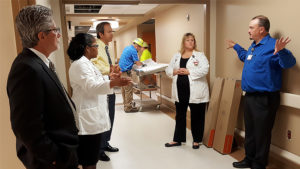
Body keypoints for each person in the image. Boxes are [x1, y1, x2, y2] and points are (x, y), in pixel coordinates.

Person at [7, 5, 79, 169]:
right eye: (55, 30)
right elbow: (26, 127)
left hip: (63, 152)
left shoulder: (39, 63)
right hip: (50, 162)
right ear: (41, 36)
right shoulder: (26, 69)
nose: (59, 34)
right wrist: (54, 158)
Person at [226, 15, 296, 169]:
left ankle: (259, 163)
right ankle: (248, 159)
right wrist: (236, 46)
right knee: (250, 131)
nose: (249, 30)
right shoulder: (254, 46)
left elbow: (289, 63)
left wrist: (282, 51)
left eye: (251, 27)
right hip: (250, 96)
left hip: (265, 98)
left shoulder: (273, 45)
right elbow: (246, 57)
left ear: (262, 29)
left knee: (261, 133)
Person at [68, 33, 131, 169]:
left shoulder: (87, 63)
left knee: (91, 159)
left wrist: (109, 78)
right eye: (96, 46)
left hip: (93, 118)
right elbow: (91, 86)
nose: (98, 48)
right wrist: (114, 83)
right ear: (87, 48)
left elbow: (95, 81)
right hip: (87, 121)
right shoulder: (80, 65)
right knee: (89, 161)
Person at [165, 33, 209, 149]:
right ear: (183, 42)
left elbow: (205, 69)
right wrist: (174, 72)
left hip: (195, 90)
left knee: (196, 115)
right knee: (180, 115)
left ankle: (197, 140)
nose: (190, 42)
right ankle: (178, 139)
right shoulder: (176, 56)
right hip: (180, 90)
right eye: (188, 40)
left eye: (192, 40)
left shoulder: (200, 55)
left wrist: (189, 72)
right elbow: (168, 69)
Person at [91, 22, 119, 162]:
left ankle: (106, 142)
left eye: (111, 31)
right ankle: (100, 149)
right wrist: (110, 70)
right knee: (104, 117)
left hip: (109, 84)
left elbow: (106, 65)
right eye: (109, 31)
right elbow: (95, 66)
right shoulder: (96, 46)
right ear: (101, 34)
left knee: (111, 115)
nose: (111, 33)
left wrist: (112, 68)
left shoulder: (106, 47)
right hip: (102, 85)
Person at [118, 38, 144, 112]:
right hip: (125, 72)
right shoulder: (133, 51)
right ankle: (128, 107)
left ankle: (125, 104)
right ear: (137, 46)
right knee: (128, 90)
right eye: (140, 47)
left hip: (120, 72)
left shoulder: (127, 48)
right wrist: (144, 65)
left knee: (124, 89)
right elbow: (137, 63)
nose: (139, 49)